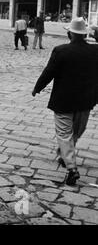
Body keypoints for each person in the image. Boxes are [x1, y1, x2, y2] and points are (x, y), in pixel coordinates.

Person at [32, 17, 98, 186]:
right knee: (76, 132)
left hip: (63, 101)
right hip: (85, 101)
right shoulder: (94, 51)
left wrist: (37, 88)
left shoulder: (61, 51)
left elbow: (49, 72)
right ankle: (65, 155)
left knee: (64, 134)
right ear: (84, 35)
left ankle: (72, 169)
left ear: (70, 33)